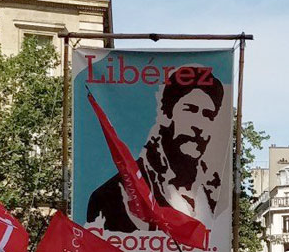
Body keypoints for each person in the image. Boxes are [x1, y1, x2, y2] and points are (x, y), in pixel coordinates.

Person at [86, 73, 228, 236]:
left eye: (208, 115)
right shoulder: (112, 196)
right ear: (167, 114)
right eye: (190, 110)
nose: (199, 125)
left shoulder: (215, 195)